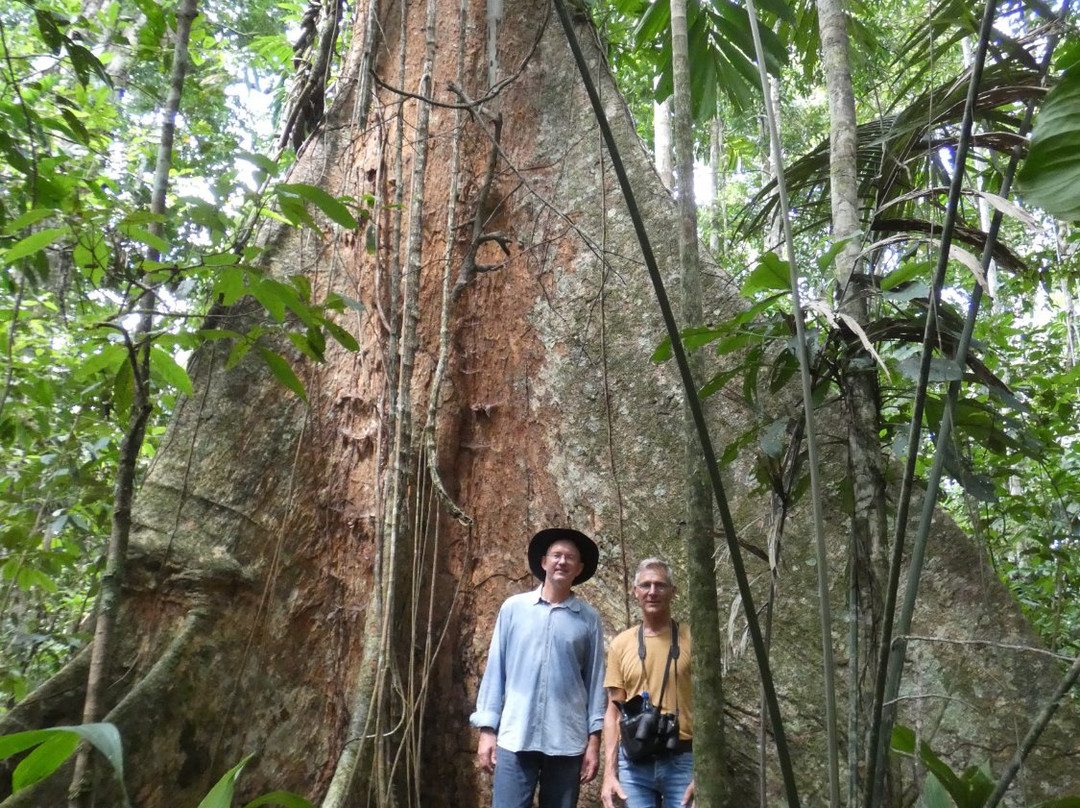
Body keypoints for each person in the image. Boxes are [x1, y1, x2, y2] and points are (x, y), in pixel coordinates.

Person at [470, 527, 607, 808]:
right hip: (515, 735)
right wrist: (487, 729)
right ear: (544, 562)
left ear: (579, 568)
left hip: (567, 740)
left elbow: (595, 683)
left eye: (570, 558)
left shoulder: (588, 619)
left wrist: (594, 743)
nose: (562, 562)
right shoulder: (514, 609)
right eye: (556, 555)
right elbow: (496, 669)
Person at [601, 558, 694, 808]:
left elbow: (710, 707)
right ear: (635, 592)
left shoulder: (691, 639)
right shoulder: (621, 644)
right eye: (645, 585)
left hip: (683, 758)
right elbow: (612, 713)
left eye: (660, 585)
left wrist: (704, 772)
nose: (652, 592)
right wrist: (609, 774)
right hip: (634, 762)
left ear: (672, 592)